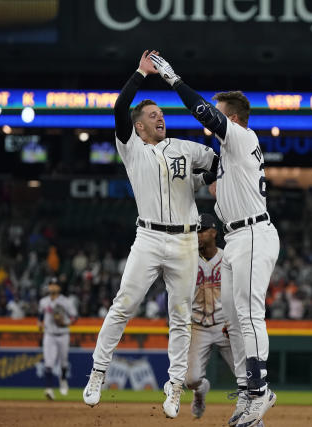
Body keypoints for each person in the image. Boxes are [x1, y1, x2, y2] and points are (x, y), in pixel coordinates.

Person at [82, 50, 218, 419]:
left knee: (179, 315)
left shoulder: (185, 149)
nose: (159, 117)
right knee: (123, 305)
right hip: (149, 238)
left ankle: (174, 387)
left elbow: (216, 163)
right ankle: (97, 372)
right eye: (152, 116)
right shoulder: (132, 149)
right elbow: (120, 107)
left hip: (186, 241)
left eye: (161, 114)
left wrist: (214, 179)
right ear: (138, 126)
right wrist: (140, 74)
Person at [151, 54, 280, 427]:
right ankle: (246, 392)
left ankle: (260, 391)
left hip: (254, 231)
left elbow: (205, 113)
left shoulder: (241, 137)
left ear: (233, 119)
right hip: (237, 237)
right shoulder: (227, 156)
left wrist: (174, 81)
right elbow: (206, 176)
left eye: (221, 114)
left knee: (250, 314)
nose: (213, 119)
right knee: (235, 321)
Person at [186, 213, 245, 419]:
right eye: (196, 231)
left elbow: (240, 290)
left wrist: (236, 320)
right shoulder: (188, 260)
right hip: (198, 325)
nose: (198, 235)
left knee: (245, 375)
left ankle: (253, 416)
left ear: (213, 232)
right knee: (191, 380)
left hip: (225, 324)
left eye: (202, 231)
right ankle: (200, 392)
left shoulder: (227, 257)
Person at [38, 277, 77, 400]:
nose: (53, 287)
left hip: (63, 334)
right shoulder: (43, 302)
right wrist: (39, 323)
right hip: (49, 335)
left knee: (64, 361)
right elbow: (40, 316)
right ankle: (49, 389)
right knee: (48, 363)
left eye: (55, 285)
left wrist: (66, 323)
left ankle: (63, 379)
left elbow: (74, 317)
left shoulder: (66, 302)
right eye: (51, 284)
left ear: (59, 288)